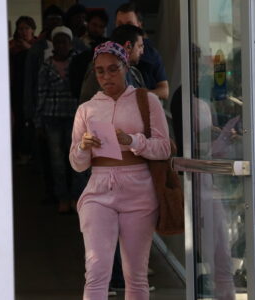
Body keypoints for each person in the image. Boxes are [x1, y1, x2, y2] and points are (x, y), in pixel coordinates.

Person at [69, 41, 170, 299]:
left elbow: (164, 149)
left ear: (125, 67)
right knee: (96, 270)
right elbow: (77, 163)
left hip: (139, 189)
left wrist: (131, 140)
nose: (106, 76)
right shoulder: (87, 109)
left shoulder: (147, 101)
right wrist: (83, 146)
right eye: (100, 71)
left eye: (113, 69)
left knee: (135, 276)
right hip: (99, 189)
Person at [35, 26, 81, 213]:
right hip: (52, 118)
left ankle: (77, 197)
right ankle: (62, 197)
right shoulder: (46, 65)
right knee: (57, 162)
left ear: (70, 43)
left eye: (65, 41)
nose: (62, 45)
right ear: (53, 44)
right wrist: (38, 122)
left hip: (75, 118)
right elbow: (41, 93)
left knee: (77, 159)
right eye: (58, 41)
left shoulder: (77, 62)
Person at [78, 24, 146, 103]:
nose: (142, 52)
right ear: (128, 46)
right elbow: (85, 104)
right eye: (140, 46)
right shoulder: (98, 69)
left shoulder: (136, 74)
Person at [115, 2, 169, 100]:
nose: (124, 29)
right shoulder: (105, 54)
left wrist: (137, 96)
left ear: (139, 25)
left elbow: (164, 91)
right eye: (120, 25)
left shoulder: (151, 54)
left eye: (129, 24)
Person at [9, 16, 37, 164]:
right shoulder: (12, 45)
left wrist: (29, 49)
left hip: (33, 87)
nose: (23, 31)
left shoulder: (38, 45)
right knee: (18, 120)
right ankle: (18, 152)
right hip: (16, 86)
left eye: (27, 28)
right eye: (21, 28)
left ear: (33, 29)